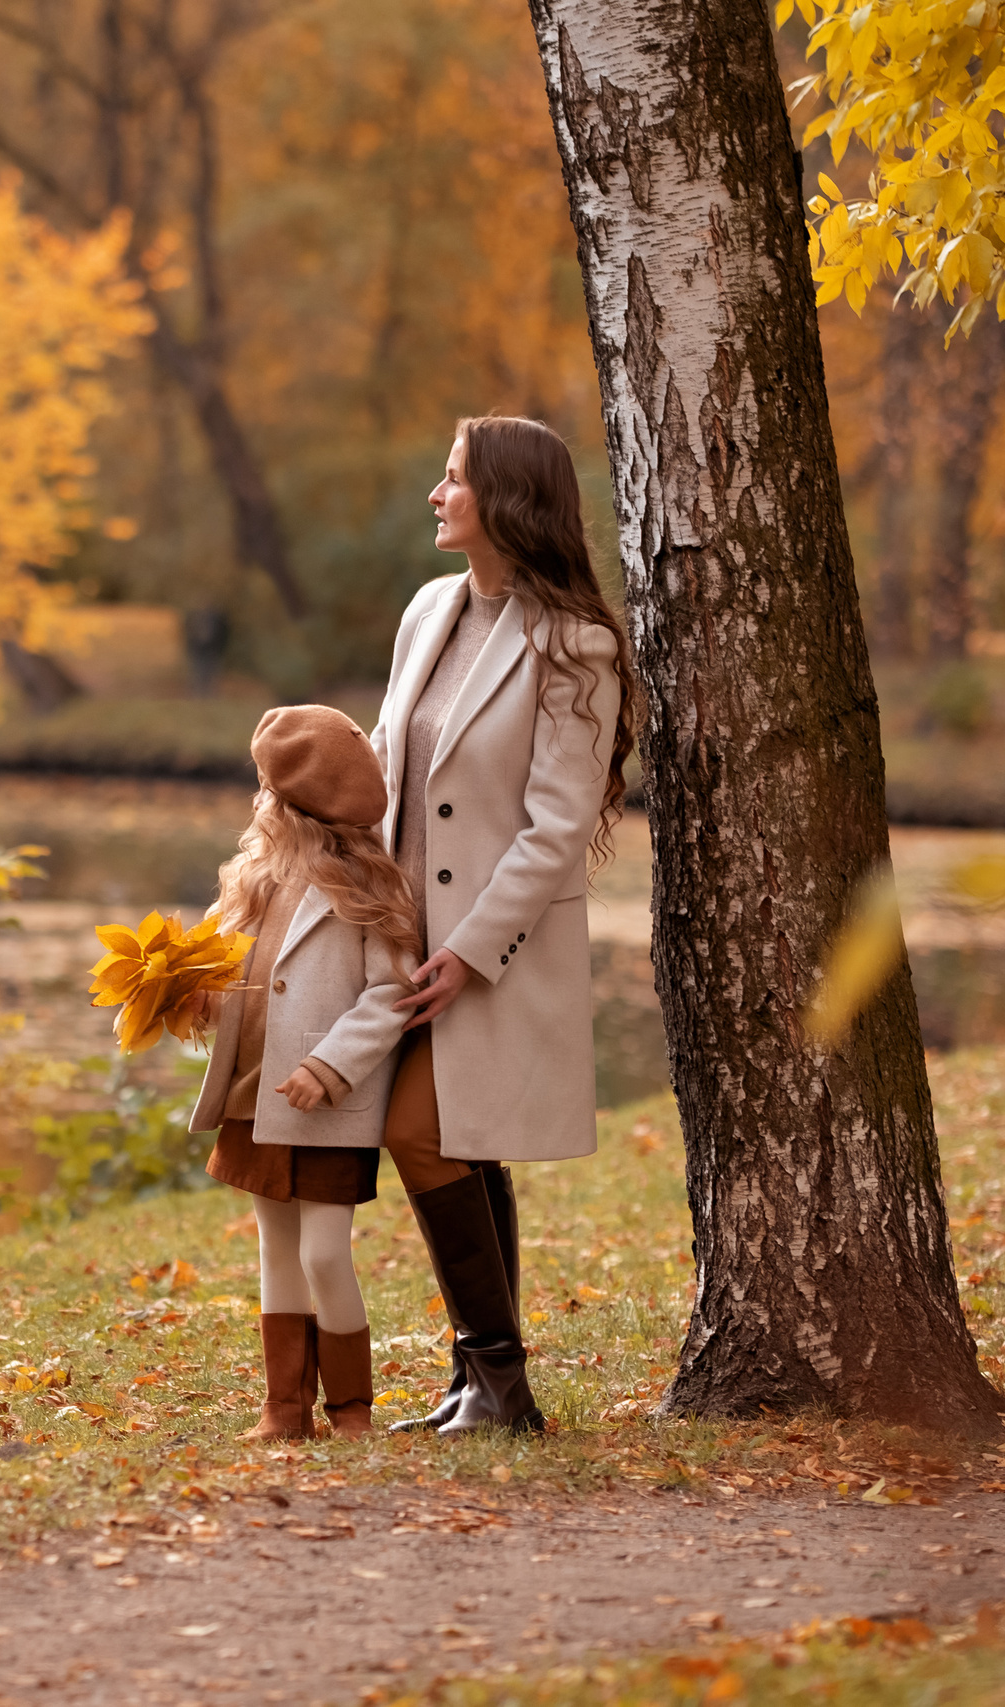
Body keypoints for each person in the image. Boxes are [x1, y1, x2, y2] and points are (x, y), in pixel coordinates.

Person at [369, 415, 640, 1435]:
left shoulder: (576, 645)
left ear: (506, 502)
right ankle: (478, 1384)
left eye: (452, 481)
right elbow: (393, 763)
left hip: (497, 945)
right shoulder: (428, 611)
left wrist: (470, 952)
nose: (436, 496)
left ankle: (502, 1383)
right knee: (466, 1145)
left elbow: (556, 825)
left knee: (420, 1131)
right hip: (403, 939)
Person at [180, 704, 422, 1441]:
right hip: (256, 1096)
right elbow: (234, 978)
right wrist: (195, 996)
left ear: (296, 809)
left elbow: (393, 993)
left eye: (270, 794)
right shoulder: (254, 882)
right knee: (276, 1250)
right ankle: (284, 1406)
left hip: (323, 1101)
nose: (261, 805)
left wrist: (331, 1063)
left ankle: (351, 1406)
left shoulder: (362, 889)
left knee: (323, 1251)